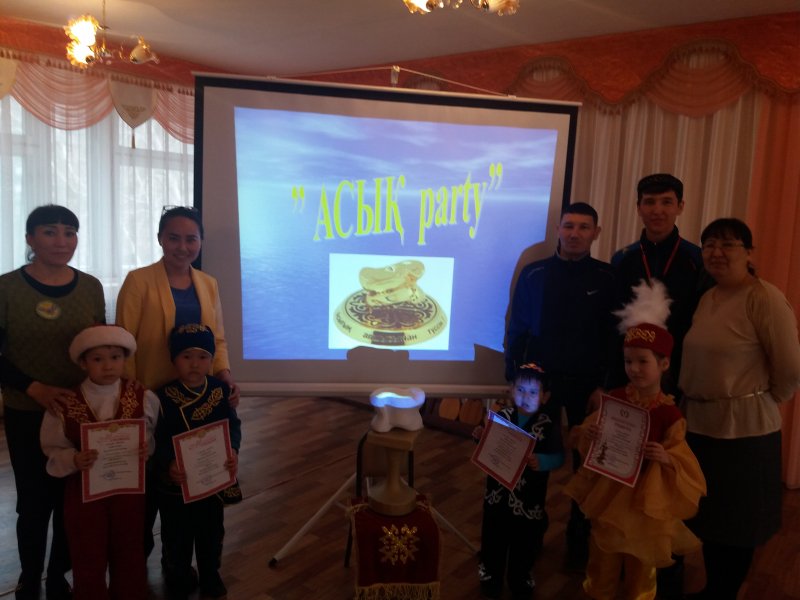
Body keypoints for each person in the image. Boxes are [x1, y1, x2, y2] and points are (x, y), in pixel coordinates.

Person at [679, 218, 800, 600]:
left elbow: (790, 369)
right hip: (701, 426)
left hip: (745, 431)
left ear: (748, 253)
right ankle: (713, 588)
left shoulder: (764, 297)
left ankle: (723, 592)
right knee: (712, 517)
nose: (717, 252)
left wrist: (756, 400)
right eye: (709, 245)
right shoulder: (708, 297)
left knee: (738, 523)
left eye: (728, 244)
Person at [565, 281, 706, 600]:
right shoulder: (615, 399)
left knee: (641, 573)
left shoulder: (669, 414)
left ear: (664, 364)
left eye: (643, 361)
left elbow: (682, 461)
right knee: (602, 563)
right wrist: (590, 435)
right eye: (629, 361)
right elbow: (586, 439)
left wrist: (665, 457)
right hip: (610, 495)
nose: (634, 369)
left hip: (645, 505)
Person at [115, 205, 239, 558]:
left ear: (200, 241)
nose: (182, 247)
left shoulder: (208, 283)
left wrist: (223, 372)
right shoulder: (138, 281)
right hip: (152, 398)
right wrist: (131, 397)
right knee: (148, 484)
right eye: (174, 238)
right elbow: (125, 342)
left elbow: (217, 338)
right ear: (160, 239)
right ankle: (137, 559)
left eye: (191, 239)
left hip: (197, 396)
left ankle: (180, 559)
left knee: (186, 480)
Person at [0, 204, 106, 600]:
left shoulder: (91, 287)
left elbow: (97, 347)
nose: (61, 241)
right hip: (27, 411)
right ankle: (30, 578)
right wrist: (34, 388)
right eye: (49, 232)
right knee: (33, 502)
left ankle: (59, 574)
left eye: (69, 232)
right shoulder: (6, 288)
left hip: (78, 414)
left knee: (70, 500)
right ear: (30, 238)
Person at [504, 201, 617, 566]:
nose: (575, 233)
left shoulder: (608, 278)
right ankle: (530, 533)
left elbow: (614, 337)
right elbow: (517, 329)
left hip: (589, 387)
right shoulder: (534, 273)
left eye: (584, 227)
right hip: (541, 386)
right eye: (568, 226)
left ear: (596, 233)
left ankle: (579, 540)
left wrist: (605, 386)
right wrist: (514, 378)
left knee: (587, 467)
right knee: (536, 460)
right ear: (557, 230)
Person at [40, 325, 159, 600]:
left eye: (115, 357)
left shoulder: (141, 396)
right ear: (83, 363)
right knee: (87, 552)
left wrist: (145, 449)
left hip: (129, 491)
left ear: (125, 359)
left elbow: (150, 434)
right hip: (84, 494)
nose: (108, 366)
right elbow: (52, 447)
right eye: (98, 359)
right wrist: (73, 458)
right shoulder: (66, 403)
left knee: (129, 548)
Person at [153, 324, 242, 600]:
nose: (195, 364)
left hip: (212, 482)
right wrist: (168, 463)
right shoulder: (160, 397)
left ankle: (210, 575)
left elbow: (233, 425)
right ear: (174, 359)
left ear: (212, 359)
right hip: (177, 485)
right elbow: (156, 438)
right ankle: (177, 574)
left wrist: (233, 450)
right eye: (186, 356)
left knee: (211, 532)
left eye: (203, 356)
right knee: (176, 535)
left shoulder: (220, 390)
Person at [610, 173, 709, 393]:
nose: (657, 210)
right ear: (638, 208)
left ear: (680, 207)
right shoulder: (622, 259)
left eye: (666, 202)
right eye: (649, 202)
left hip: (680, 373)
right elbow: (612, 323)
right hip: (628, 372)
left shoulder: (697, 259)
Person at [472, 362, 563, 600]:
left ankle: (521, 578)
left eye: (533, 392)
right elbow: (488, 445)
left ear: (544, 396)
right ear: (511, 390)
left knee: (525, 541)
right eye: (520, 390)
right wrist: (480, 437)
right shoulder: (502, 417)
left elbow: (559, 457)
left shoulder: (547, 425)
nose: (525, 397)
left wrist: (541, 461)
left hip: (528, 499)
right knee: (493, 537)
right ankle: (490, 576)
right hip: (497, 495)